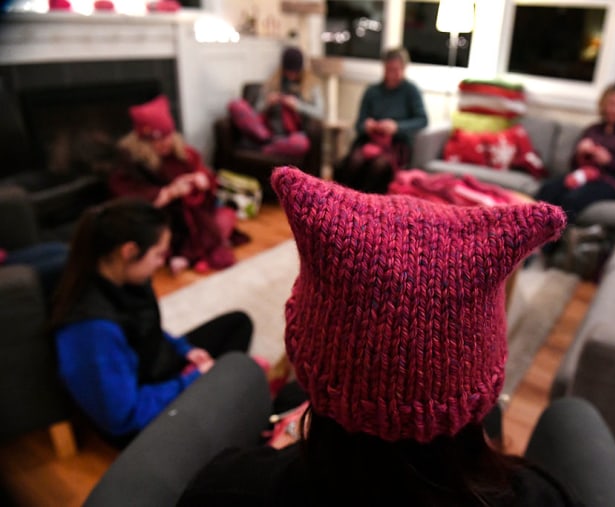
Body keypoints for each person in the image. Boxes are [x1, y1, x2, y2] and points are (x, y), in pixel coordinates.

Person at [177, 167, 579, 506]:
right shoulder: (542, 497)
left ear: (305, 352)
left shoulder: (225, 488)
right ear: (484, 373)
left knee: (284, 400)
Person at [50, 199, 254, 445]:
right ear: (129, 251)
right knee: (238, 375)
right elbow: (122, 417)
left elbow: (147, 328)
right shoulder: (92, 330)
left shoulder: (124, 279)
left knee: (238, 324)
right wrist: (190, 381)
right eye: (158, 254)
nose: (161, 263)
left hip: (154, 368)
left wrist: (185, 351)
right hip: (139, 417)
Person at [109, 94, 244, 274]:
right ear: (143, 141)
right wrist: (169, 193)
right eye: (157, 139)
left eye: (167, 136)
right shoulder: (131, 163)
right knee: (175, 234)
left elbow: (205, 175)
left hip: (196, 215)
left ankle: (189, 253)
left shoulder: (182, 153)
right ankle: (185, 253)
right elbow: (131, 198)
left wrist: (201, 179)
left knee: (225, 216)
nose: (165, 143)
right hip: (167, 220)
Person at [535, 81, 615, 224]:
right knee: (548, 189)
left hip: (613, 181)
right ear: (603, 104)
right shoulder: (593, 129)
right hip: (585, 174)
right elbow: (573, 165)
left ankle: (547, 245)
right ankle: (529, 236)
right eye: (610, 103)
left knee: (571, 199)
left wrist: (610, 161)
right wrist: (580, 153)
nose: (613, 108)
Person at [334, 47, 428, 194]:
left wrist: (397, 127)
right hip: (369, 142)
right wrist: (367, 126)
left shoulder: (411, 91)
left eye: (398, 69)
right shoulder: (372, 91)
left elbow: (422, 120)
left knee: (379, 166)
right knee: (353, 162)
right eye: (390, 69)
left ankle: (368, 207)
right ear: (384, 67)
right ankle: (345, 201)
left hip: (396, 145)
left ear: (404, 68)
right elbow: (359, 124)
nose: (394, 73)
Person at [254, 46, 325, 157]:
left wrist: (297, 105)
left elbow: (320, 113)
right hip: (271, 130)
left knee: (301, 144)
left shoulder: (311, 85)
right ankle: (268, 139)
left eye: (295, 72)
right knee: (237, 106)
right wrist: (268, 103)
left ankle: (267, 146)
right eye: (288, 71)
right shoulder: (273, 82)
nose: (292, 74)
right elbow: (256, 111)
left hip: (295, 135)